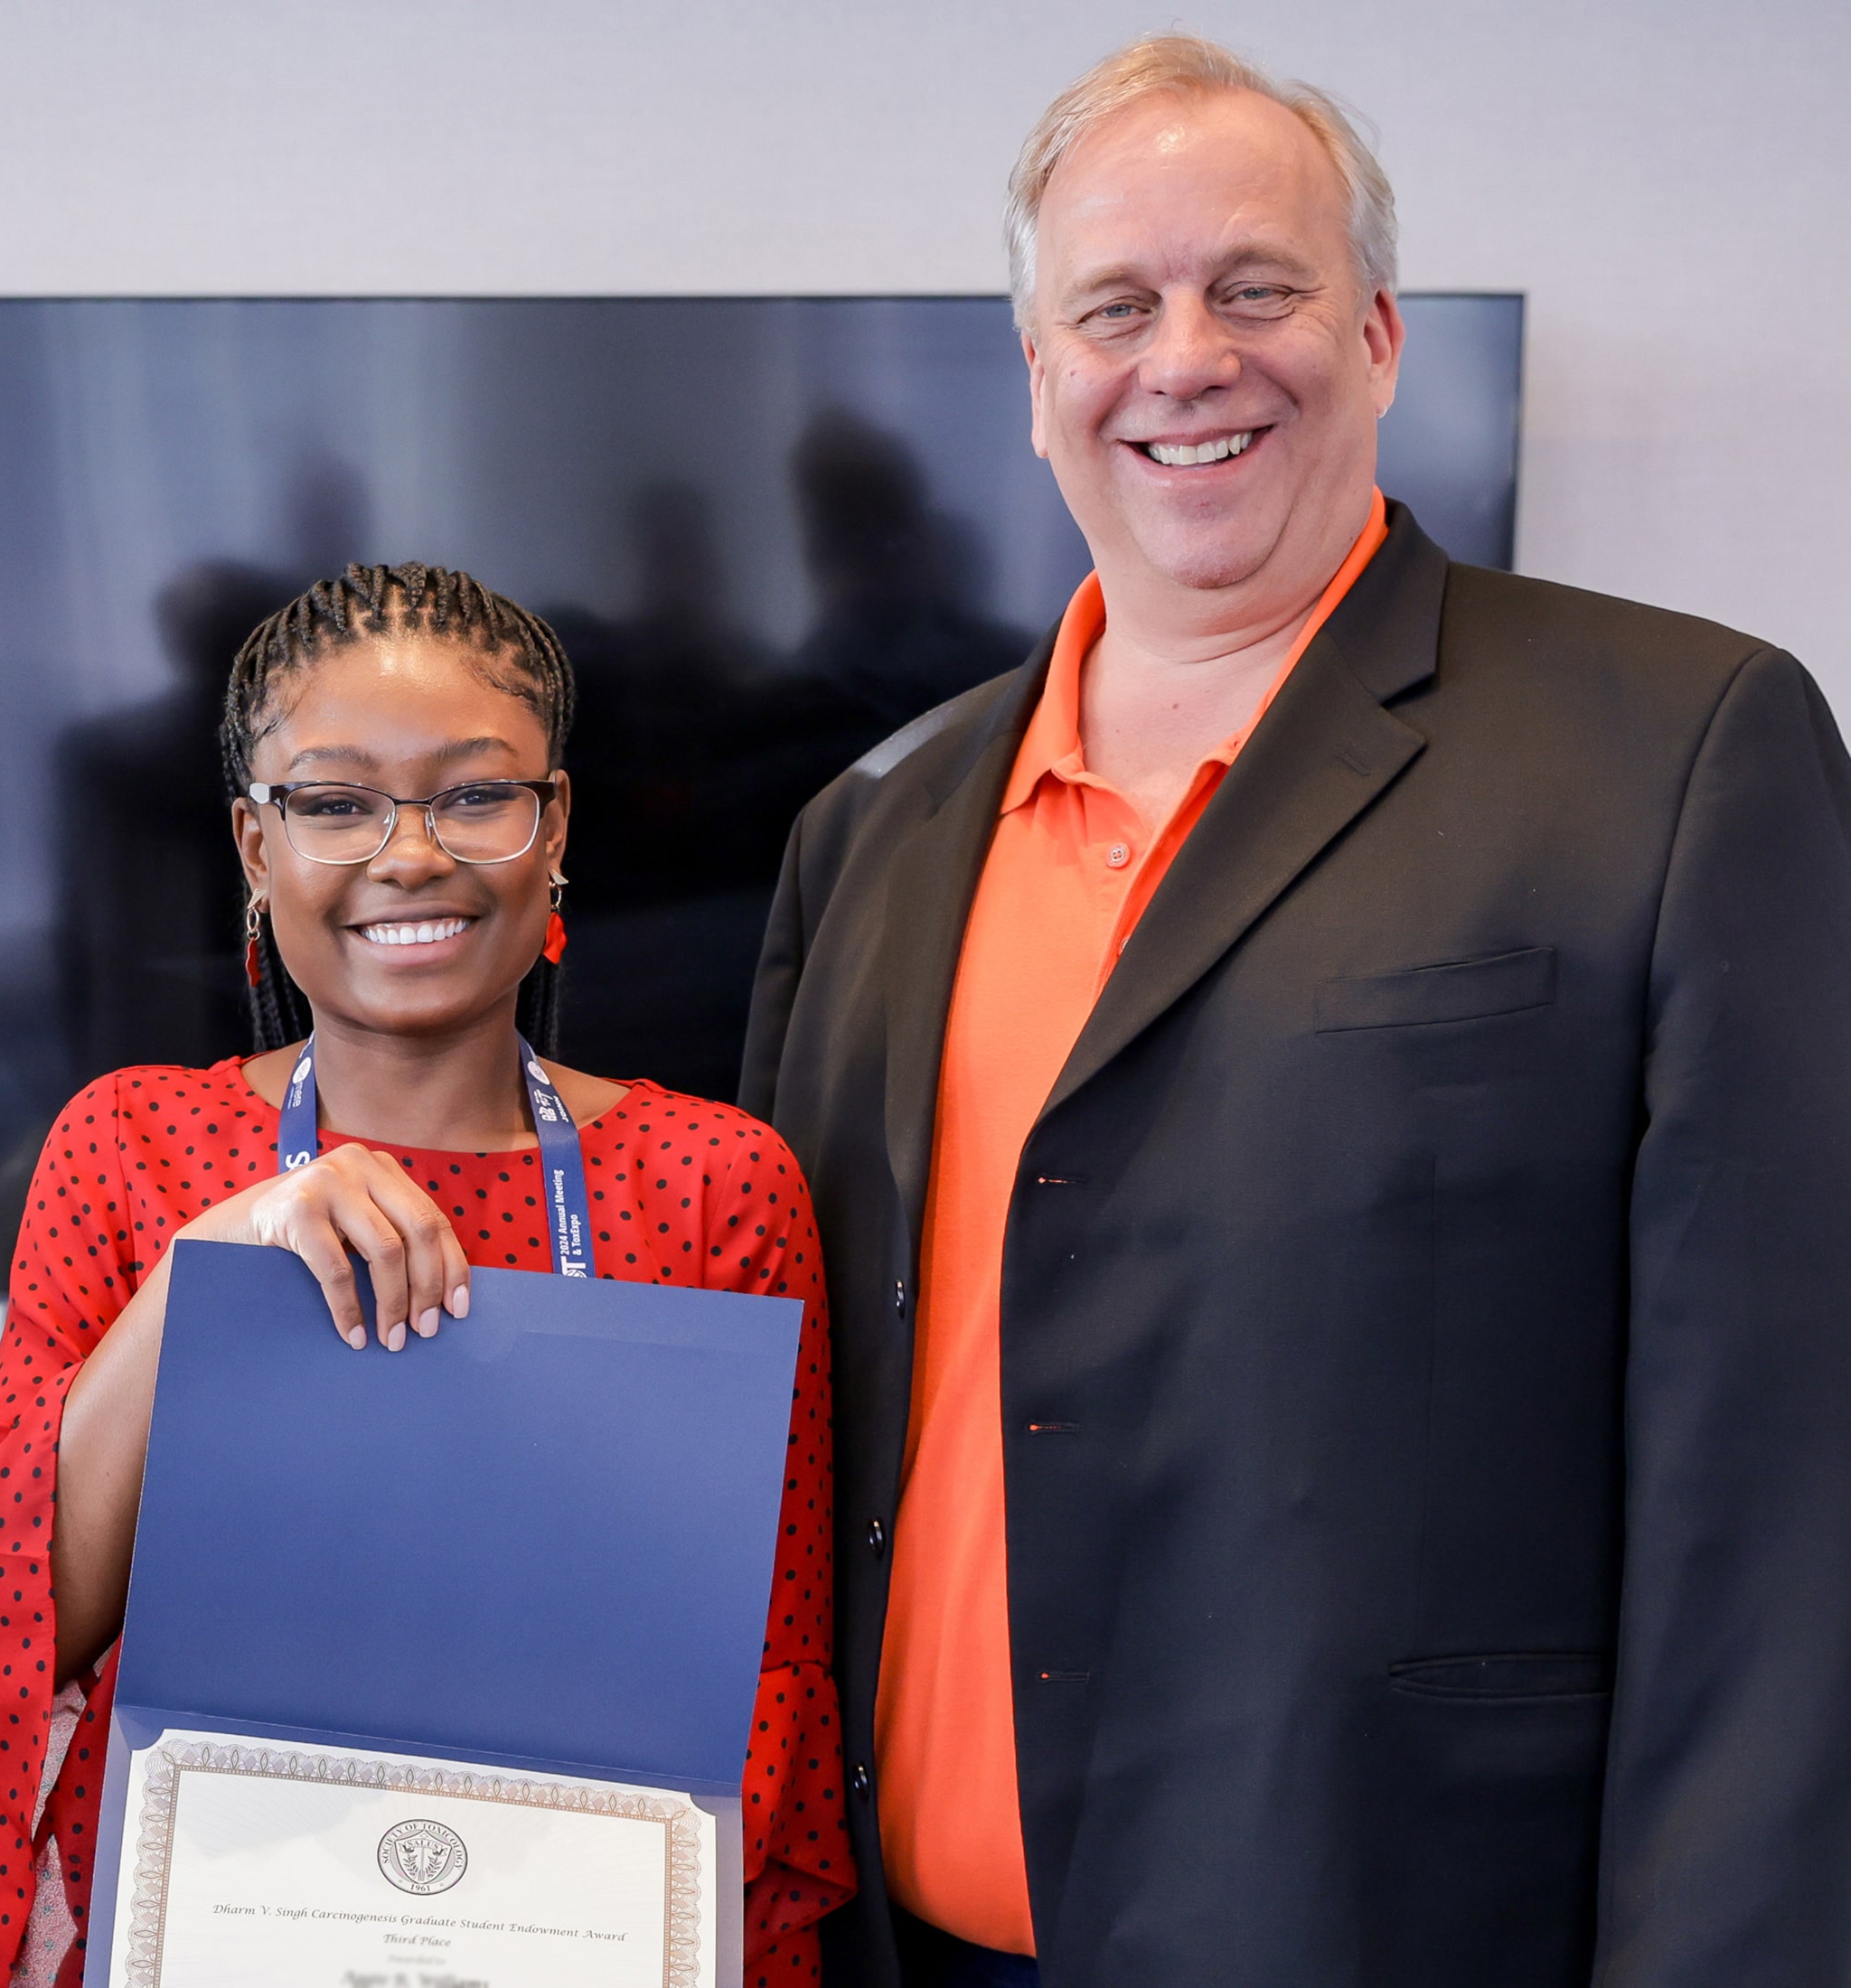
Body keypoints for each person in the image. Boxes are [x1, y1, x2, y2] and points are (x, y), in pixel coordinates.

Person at [743, 34, 1851, 1988]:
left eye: (1253, 288)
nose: (1184, 359)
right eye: (1114, 306)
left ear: (1377, 336)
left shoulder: (1681, 752)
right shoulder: (871, 831)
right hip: (899, 1948)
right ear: (1036, 376)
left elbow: (1781, 1481)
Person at [0, 563, 855, 1985]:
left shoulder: (711, 1182)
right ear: (254, 845)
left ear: (554, 829)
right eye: (335, 803)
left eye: (473, 796)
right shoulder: (132, 1147)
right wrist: (207, 1268)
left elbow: (772, 1671)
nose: (409, 854)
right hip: (222, 1935)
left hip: (575, 1937)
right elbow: (12, 1609)